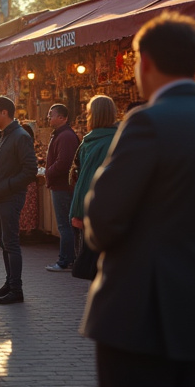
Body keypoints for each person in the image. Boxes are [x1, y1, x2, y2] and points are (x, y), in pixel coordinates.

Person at [81, 12, 195, 386]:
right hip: (193, 302)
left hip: (139, 306)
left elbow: (103, 217)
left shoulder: (147, 122)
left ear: (145, 62)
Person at [0, 95, 36, 305]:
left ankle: (16, 288)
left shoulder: (20, 136)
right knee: (3, 242)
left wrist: (7, 187)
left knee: (11, 243)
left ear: (5, 113)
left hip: (9, 197)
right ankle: (9, 282)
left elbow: (30, 170)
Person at [67, 95, 118, 281]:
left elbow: (86, 176)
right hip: (104, 206)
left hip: (95, 206)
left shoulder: (97, 141)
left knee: (95, 262)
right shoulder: (94, 140)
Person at [44, 103, 80, 273]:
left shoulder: (65, 136)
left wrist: (48, 172)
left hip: (63, 186)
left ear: (63, 118)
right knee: (67, 224)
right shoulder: (61, 134)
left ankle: (65, 260)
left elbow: (64, 162)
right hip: (61, 185)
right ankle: (71, 258)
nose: (48, 117)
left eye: (51, 114)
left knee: (65, 225)